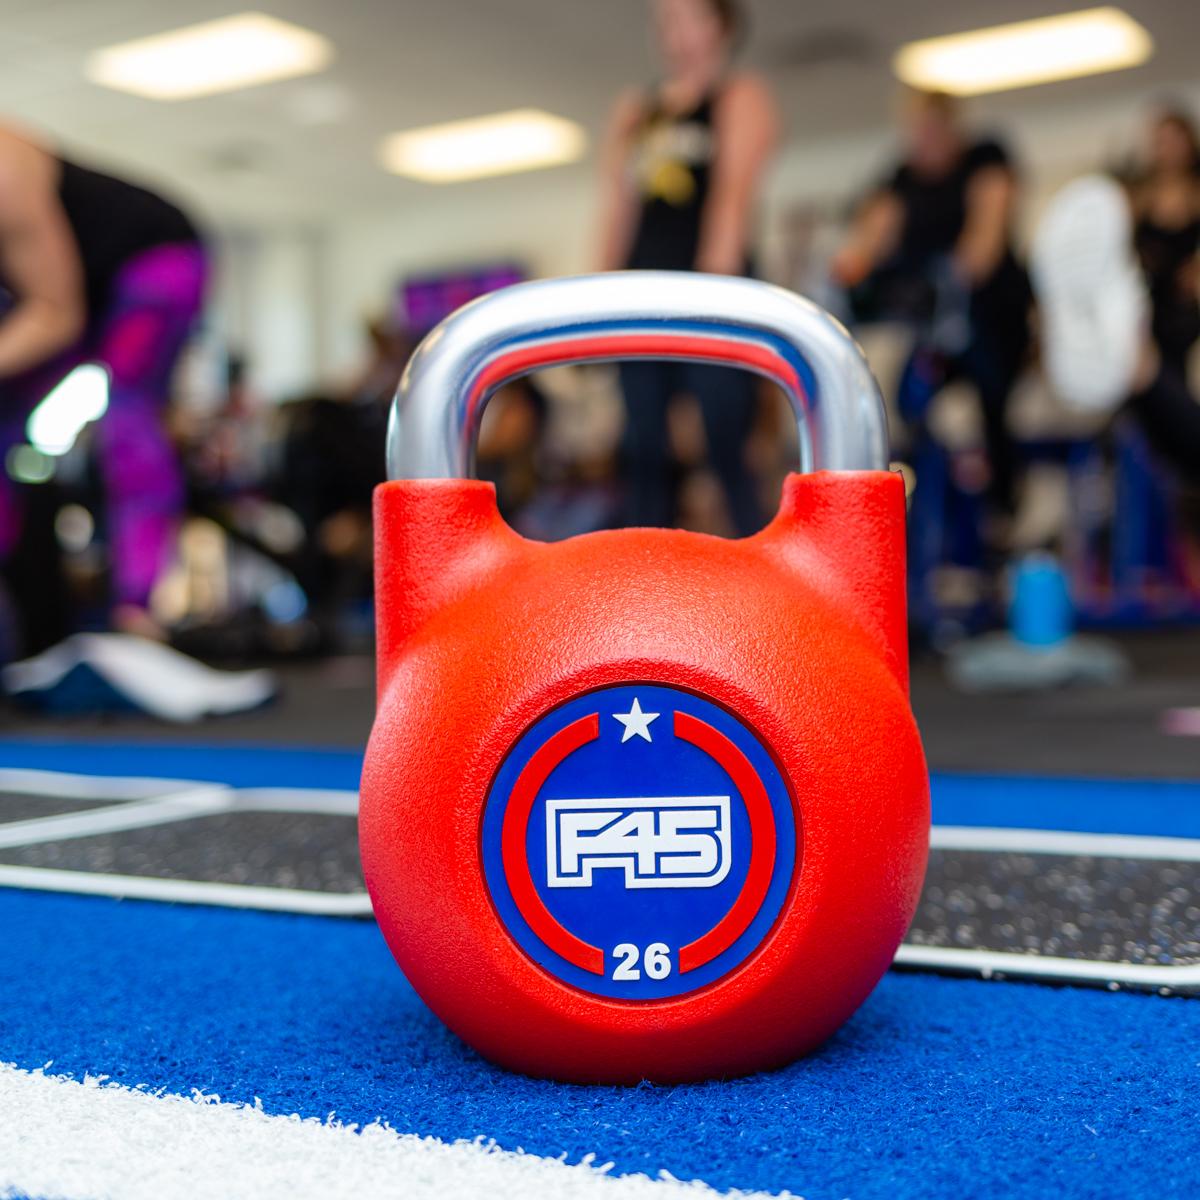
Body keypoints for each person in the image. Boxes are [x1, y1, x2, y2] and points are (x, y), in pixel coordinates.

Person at [0, 123, 207, 648]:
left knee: (126, 417)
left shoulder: (4, 168)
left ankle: (138, 611)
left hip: (154, 259)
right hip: (69, 293)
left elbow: (56, 314)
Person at [596, 0, 779, 536]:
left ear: (722, 26)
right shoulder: (637, 110)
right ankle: (646, 578)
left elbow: (730, 204)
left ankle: (752, 570)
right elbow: (618, 211)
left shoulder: (741, 97)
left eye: (689, 18)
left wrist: (707, 307)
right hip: (640, 296)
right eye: (666, 22)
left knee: (725, 442)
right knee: (644, 449)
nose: (676, 33)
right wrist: (598, 301)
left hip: (708, 292)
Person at [831, 89, 1031, 521]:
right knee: (908, 399)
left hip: (991, 319)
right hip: (934, 329)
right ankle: (918, 509)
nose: (924, 140)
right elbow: (869, 239)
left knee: (989, 392)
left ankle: (1002, 503)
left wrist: (952, 273)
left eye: (932, 129)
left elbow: (983, 244)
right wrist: (855, 264)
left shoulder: (984, 159)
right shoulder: (901, 178)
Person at [1133, 107, 1200, 384]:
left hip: (1189, 310)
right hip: (1150, 310)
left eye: (1175, 140)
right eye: (1162, 141)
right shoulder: (1140, 199)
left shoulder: (1196, 194)